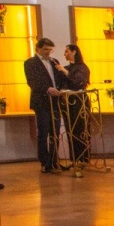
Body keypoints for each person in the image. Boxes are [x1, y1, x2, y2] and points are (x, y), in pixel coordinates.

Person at [23, 38, 64, 173]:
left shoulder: (54, 62)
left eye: (50, 49)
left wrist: (62, 76)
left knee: (55, 132)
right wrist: (47, 89)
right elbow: (32, 82)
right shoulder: (30, 63)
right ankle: (45, 163)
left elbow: (59, 79)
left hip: (55, 101)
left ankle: (54, 160)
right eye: (45, 49)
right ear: (38, 49)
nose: (48, 52)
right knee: (44, 132)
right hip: (41, 102)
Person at [57, 44, 91, 166]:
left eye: (66, 51)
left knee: (81, 129)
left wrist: (65, 71)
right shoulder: (67, 68)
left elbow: (78, 83)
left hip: (79, 102)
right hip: (67, 103)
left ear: (74, 52)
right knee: (70, 131)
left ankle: (83, 159)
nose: (64, 54)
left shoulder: (82, 68)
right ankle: (74, 159)